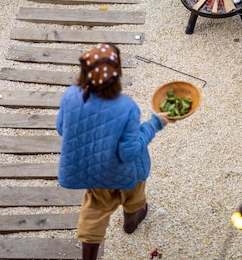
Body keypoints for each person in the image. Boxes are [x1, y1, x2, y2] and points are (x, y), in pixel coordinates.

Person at [56, 43, 173, 260]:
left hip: (93, 174)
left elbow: (62, 128)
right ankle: (131, 223)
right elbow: (129, 151)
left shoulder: (70, 95)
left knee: (93, 215)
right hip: (126, 174)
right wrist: (155, 123)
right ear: (116, 75)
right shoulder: (126, 107)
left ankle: (89, 256)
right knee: (134, 200)